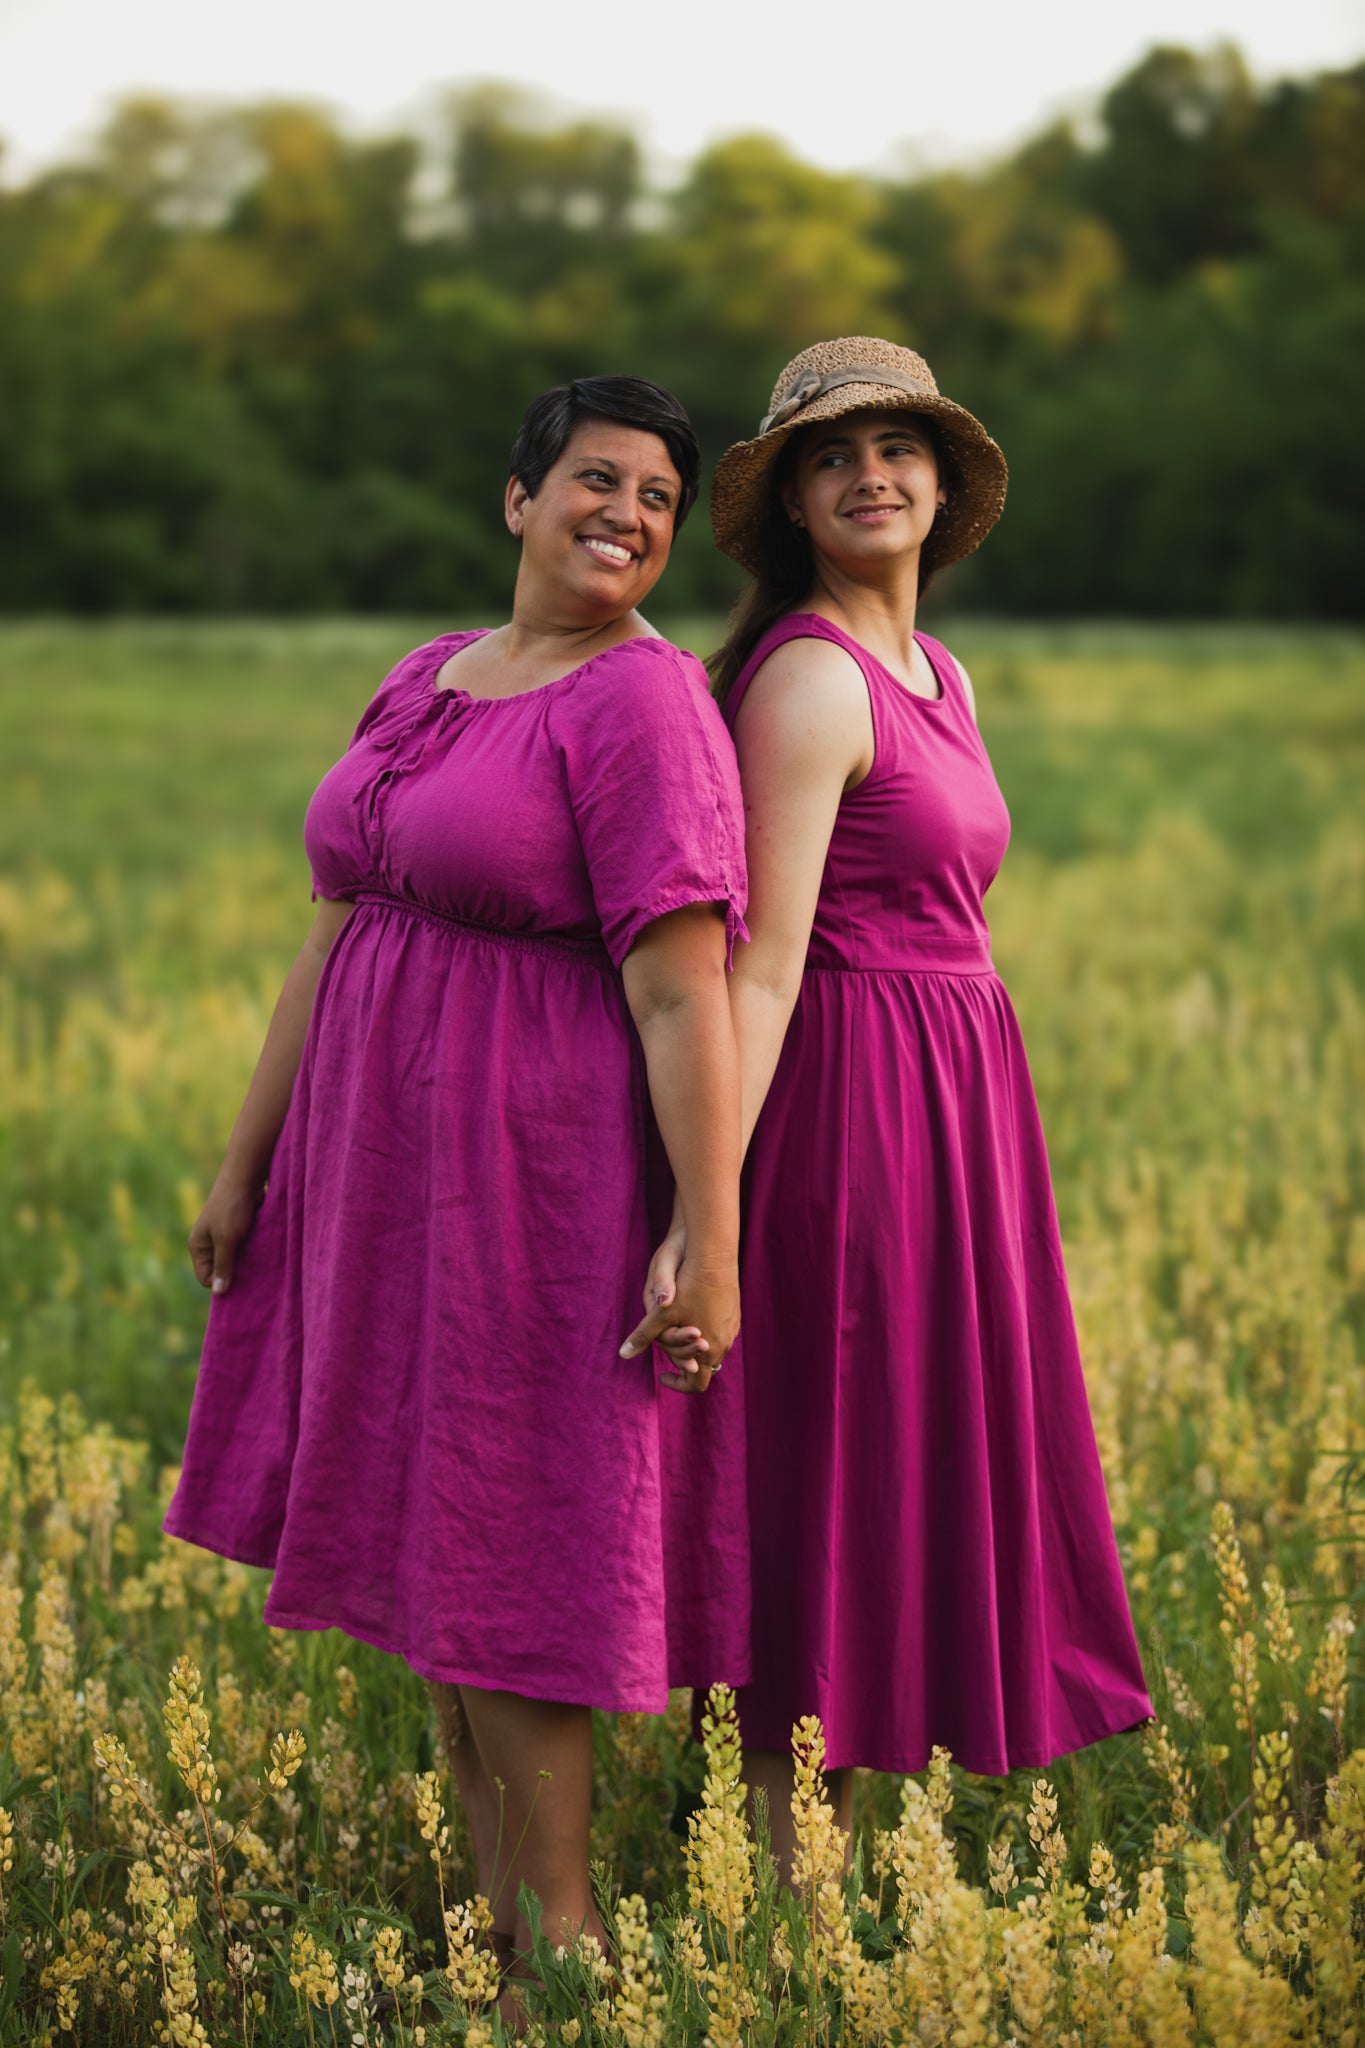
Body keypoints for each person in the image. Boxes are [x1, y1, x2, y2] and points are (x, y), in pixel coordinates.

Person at [165, 375, 751, 1963]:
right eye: (595, 480)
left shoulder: (644, 707)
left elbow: (680, 983)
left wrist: (710, 1231)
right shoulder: (427, 675)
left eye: (656, 501)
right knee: (428, 1527)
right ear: (517, 499)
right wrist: (247, 1164)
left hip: (526, 1174)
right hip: (370, 1166)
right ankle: (500, 1923)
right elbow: (334, 929)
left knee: (508, 1530)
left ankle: (556, 1941)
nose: (624, 515)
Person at [630, 336, 1152, 1877]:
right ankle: (780, 1872)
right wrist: (700, 1204)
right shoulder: (804, 679)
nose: (869, 478)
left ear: (940, 487)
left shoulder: (942, 672)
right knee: (823, 1451)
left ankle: (834, 1852)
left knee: (904, 1449)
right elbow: (762, 969)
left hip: (956, 1106)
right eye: (832, 457)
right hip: (845, 1113)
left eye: (896, 452)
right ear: (793, 499)